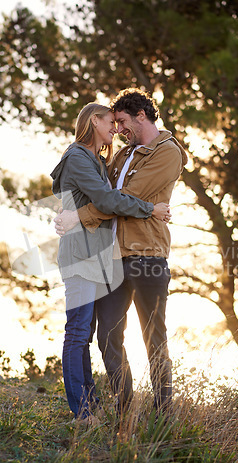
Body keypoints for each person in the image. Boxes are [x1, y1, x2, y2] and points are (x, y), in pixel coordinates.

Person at [54, 89, 188, 418]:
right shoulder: (121, 155)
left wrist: (79, 217)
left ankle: (163, 416)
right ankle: (124, 411)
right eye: (113, 122)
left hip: (147, 255)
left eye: (123, 121)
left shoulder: (168, 152)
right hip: (113, 259)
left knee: (154, 338)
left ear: (141, 115)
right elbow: (105, 195)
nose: (119, 129)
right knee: (107, 337)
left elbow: (125, 197)